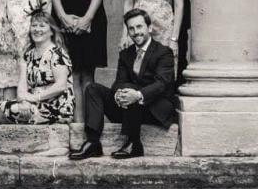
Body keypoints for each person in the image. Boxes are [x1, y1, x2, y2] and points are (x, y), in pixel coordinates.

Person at [69, 9, 177, 160]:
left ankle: (134, 143)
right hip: (129, 109)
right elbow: (118, 83)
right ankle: (93, 142)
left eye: (139, 27)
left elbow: (162, 84)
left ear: (149, 28)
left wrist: (137, 95)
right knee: (92, 88)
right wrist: (120, 94)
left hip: (154, 109)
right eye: (131, 29)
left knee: (131, 90)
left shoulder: (163, 52)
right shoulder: (126, 54)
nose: (135, 32)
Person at [0, 13, 75, 125]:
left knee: (21, 111)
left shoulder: (57, 54)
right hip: (34, 104)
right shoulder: (28, 55)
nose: (37, 29)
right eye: (34, 25)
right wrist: (24, 102)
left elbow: (61, 86)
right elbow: (22, 87)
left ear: (51, 31)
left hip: (57, 106)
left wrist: (34, 98)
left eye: (42, 26)